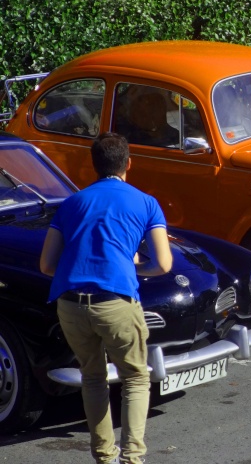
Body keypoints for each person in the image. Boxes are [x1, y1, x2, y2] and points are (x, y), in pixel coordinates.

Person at [40, 133, 173, 464]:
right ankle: (132, 458)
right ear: (129, 163)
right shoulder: (145, 202)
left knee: (93, 378)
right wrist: (137, 262)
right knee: (135, 377)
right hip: (114, 301)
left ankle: (104, 457)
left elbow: (46, 264)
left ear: (93, 166)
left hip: (70, 304)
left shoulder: (72, 203)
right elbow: (164, 263)